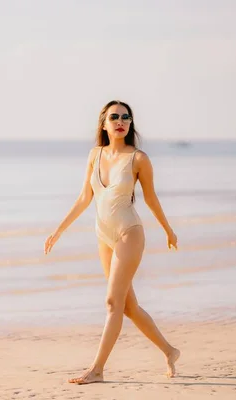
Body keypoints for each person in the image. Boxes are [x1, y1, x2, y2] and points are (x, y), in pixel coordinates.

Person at [44, 100, 181, 385]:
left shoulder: (138, 159)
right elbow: (85, 198)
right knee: (128, 307)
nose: (121, 121)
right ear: (104, 124)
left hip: (129, 233)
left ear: (130, 124)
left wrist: (168, 229)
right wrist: (58, 230)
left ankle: (97, 370)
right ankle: (170, 351)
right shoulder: (95, 155)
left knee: (111, 302)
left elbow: (151, 198)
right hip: (103, 235)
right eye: (114, 117)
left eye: (126, 117)